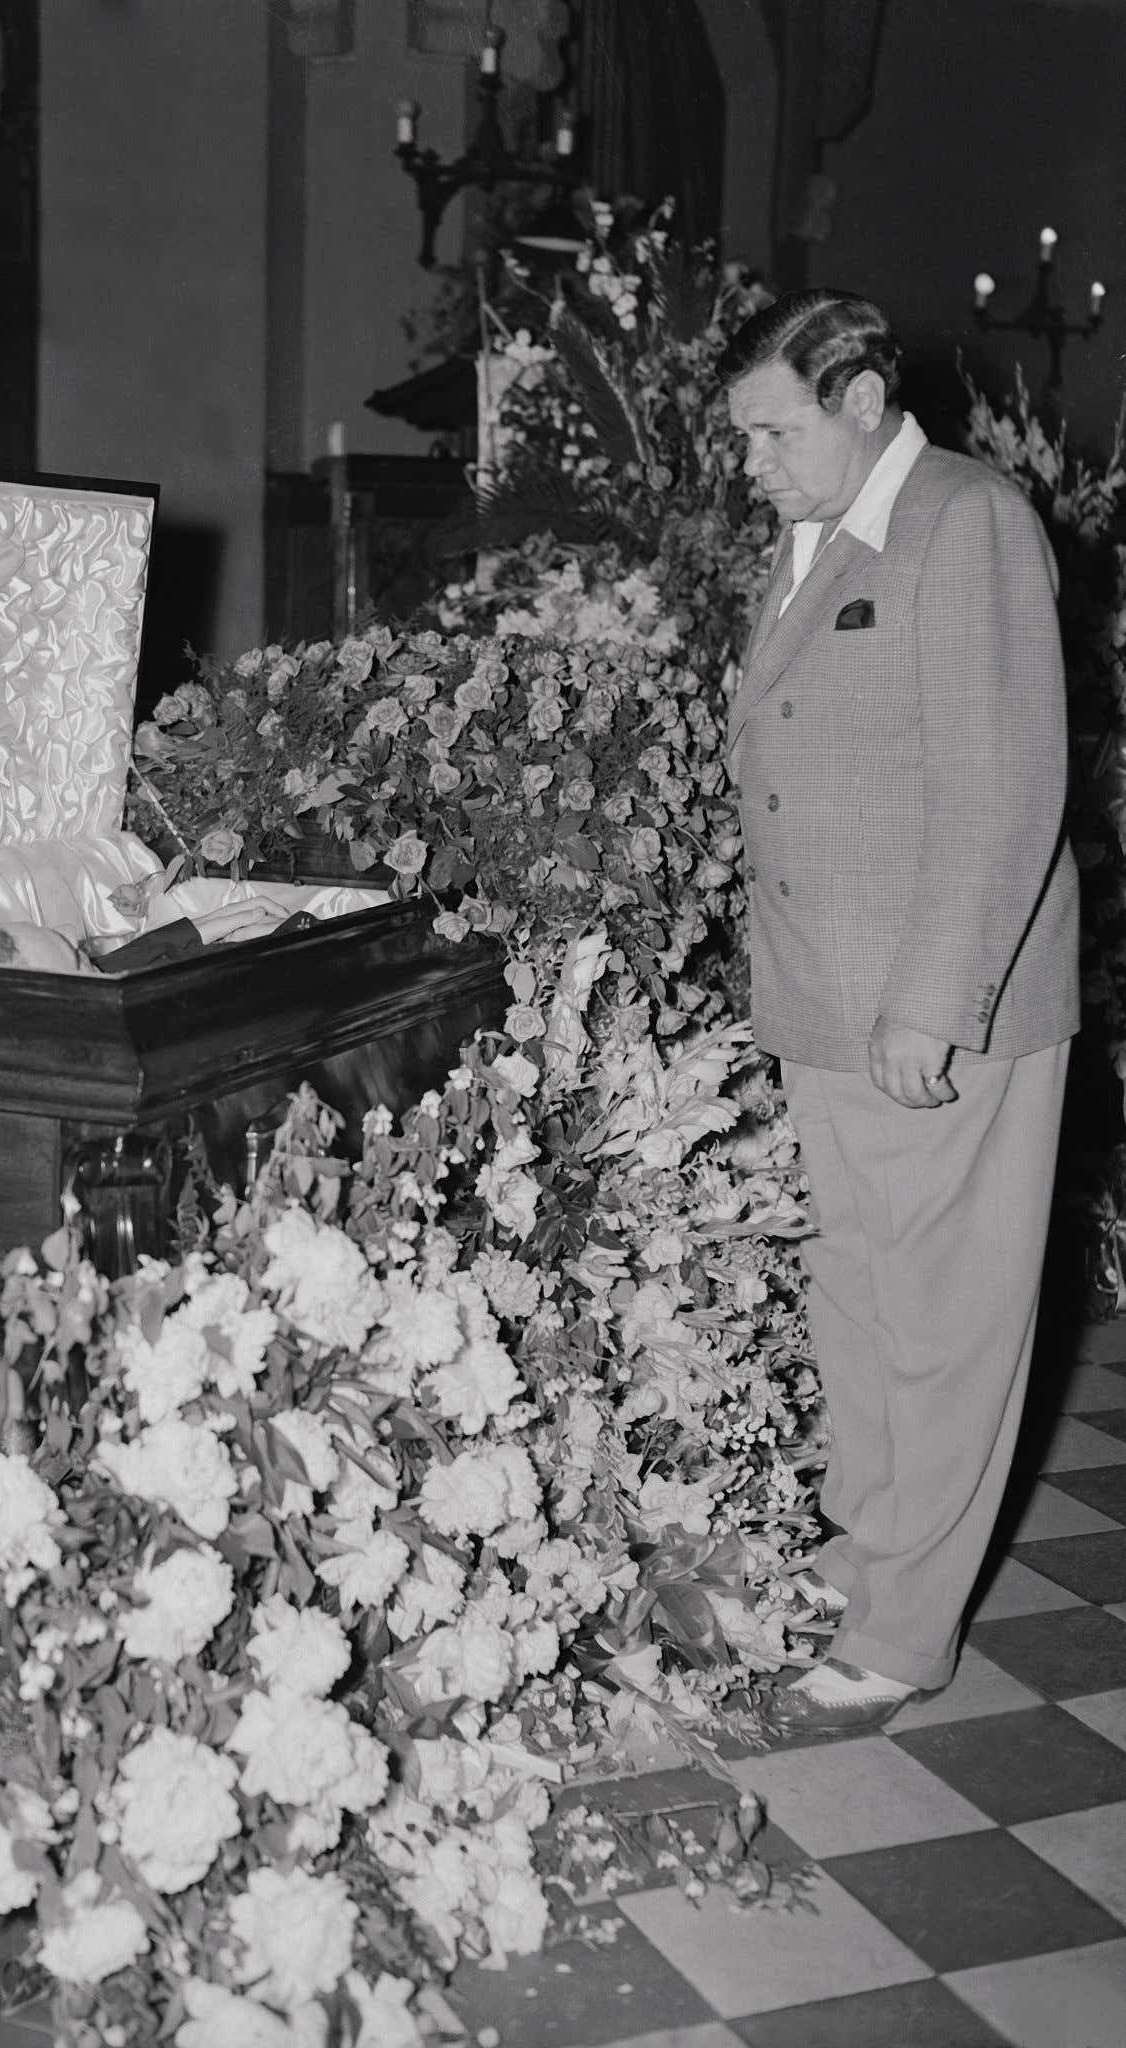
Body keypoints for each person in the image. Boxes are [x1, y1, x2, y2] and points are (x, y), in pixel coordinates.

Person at [718, 290, 1079, 1734]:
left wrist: (932, 1001)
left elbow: (1005, 783)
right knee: (858, 1304)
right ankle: (865, 1563)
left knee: (941, 1323)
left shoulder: (961, 517)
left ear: (860, 398)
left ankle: (905, 1626)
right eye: (738, 436)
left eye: (771, 430)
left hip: (936, 1006)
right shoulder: (813, 540)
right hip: (826, 997)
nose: (750, 461)